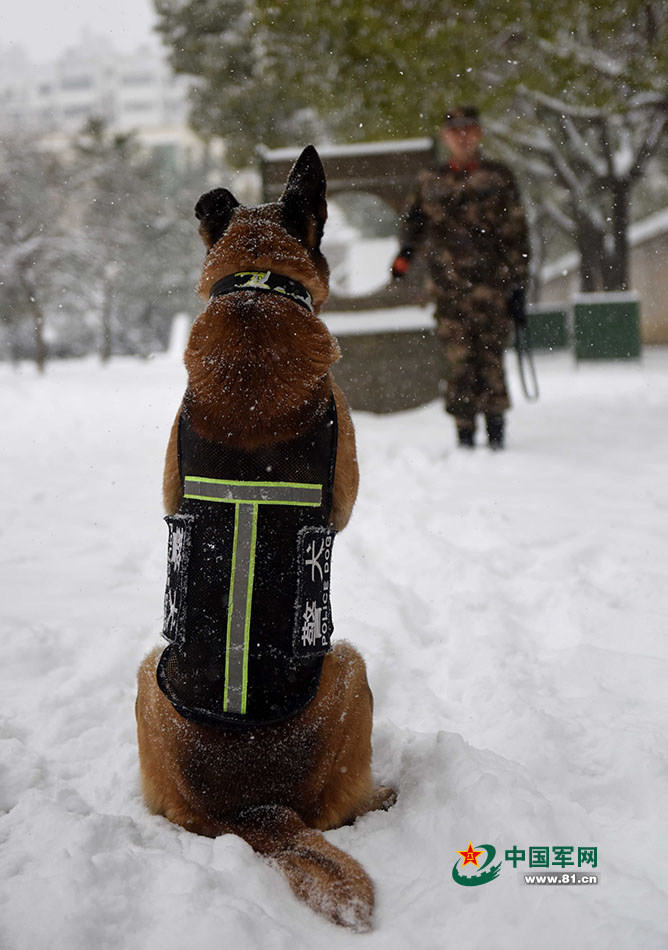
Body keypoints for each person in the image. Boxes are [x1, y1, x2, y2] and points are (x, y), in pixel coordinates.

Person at [392, 106, 530, 450]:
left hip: (492, 288)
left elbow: (516, 234)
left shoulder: (498, 178)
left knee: (490, 358)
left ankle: (496, 430)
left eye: (468, 129)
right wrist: (404, 257)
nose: (462, 136)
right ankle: (464, 432)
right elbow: (414, 224)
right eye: (455, 130)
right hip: (448, 289)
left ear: (479, 132)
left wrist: (518, 285)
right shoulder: (430, 180)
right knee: (458, 360)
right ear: (445, 137)